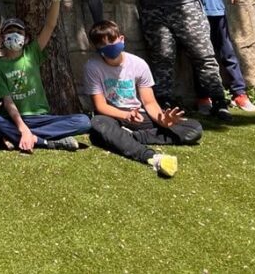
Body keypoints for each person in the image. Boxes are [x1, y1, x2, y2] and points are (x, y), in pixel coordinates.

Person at [85, 20, 203, 178]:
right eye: (102, 45)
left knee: (193, 129)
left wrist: (162, 120)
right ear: (97, 48)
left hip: (140, 115)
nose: (109, 47)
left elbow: (149, 102)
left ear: (122, 39)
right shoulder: (92, 66)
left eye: (112, 41)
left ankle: (129, 138)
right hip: (113, 116)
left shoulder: (138, 64)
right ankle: (147, 155)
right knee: (99, 123)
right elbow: (100, 106)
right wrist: (126, 115)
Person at [0, 0, 91, 152]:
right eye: (9, 32)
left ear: (25, 38)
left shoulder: (31, 53)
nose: (14, 35)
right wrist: (22, 127)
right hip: (13, 117)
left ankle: (18, 137)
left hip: (40, 118)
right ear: (2, 38)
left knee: (83, 122)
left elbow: (50, 26)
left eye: (18, 32)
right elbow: (8, 101)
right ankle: (45, 142)